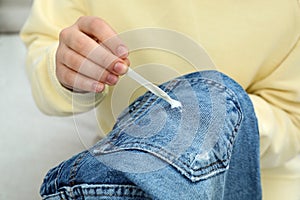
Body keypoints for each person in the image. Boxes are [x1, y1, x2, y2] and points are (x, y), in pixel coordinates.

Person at [20, 0, 300, 199]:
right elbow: (45, 43)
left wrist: (213, 116)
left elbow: (291, 117)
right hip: (126, 169)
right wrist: (69, 70)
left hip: (257, 176)